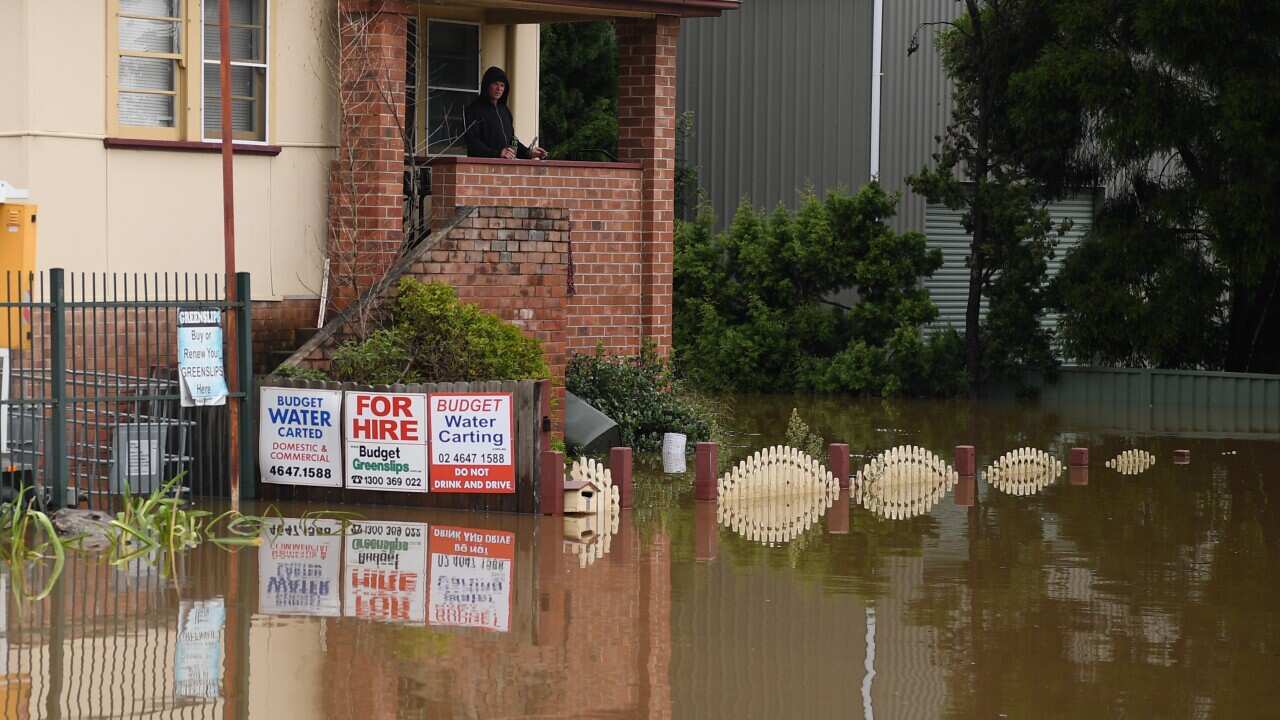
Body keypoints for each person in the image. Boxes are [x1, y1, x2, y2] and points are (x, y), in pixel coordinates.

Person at [465, 66, 547, 160]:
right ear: (487, 85)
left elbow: (512, 140)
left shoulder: (505, 111)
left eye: (502, 85)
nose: (499, 88)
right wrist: (498, 153)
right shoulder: (474, 110)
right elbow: (472, 143)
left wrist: (529, 152)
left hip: (505, 169)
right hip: (482, 168)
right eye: (495, 84)